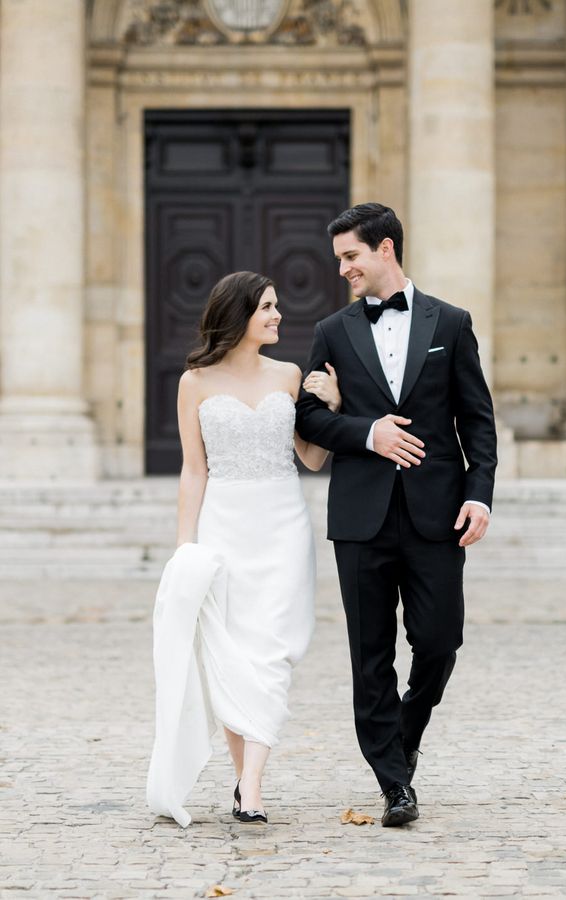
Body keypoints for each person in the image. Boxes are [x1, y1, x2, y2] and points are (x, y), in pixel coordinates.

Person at [295, 203, 497, 827]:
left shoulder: (452, 323)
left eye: (351, 257)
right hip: (361, 516)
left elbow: (477, 420)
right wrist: (367, 432)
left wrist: (479, 492)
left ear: (386, 249)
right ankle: (394, 785)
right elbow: (308, 419)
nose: (343, 270)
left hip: (438, 513)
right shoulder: (332, 331)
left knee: (439, 642)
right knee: (370, 652)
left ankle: (401, 739)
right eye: (339, 260)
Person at [147, 270, 340, 828]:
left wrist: (332, 402)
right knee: (229, 655)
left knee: (271, 654)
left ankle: (249, 787)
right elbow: (192, 469)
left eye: (277, 306)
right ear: (239, 315)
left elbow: (310, 458)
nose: (279, 315)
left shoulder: (288, 374)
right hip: (224, 526)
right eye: (267, 308)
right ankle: (246, 786)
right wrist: (186, 547)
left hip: (282, 524)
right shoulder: (195, 381)